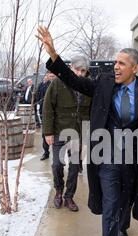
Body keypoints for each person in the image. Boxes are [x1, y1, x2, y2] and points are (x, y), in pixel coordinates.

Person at [37, 26, 138, 236]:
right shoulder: (104, 84)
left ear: (135, 69)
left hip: (133, 161)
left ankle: (122, 225)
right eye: (115, 62)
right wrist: (53, 53)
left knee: (126, 203)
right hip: (105, 159)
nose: (115, 67)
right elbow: (75, 81)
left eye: (121, 64)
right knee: (109, 210)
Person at [42, 55, 92, 212]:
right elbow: (47, 108)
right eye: (77, 69)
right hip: (59, 131)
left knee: (74, 166)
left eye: (83, 71)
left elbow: (90, 112)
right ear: (70, 67)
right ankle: (58, 191)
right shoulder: (57, 83)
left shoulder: (88, 86)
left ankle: (69, 196)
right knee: (57, 164)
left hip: (77, 133)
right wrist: (48, 132)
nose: (80, 73)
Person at [36, 71, 56, 160]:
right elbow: (40, 96)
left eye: (53, 75)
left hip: (57, 113)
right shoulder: (44, 85)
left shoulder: (60, 84)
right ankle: (46, 152)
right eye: (50, 75)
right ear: (47, 75)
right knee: (45, 134)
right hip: (45, 113)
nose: (51, 77)